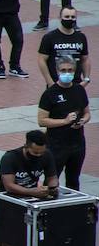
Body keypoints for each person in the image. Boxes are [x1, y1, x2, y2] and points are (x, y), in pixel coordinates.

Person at [38, 55, 89, 189]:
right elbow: (42, 121)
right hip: (56, 145)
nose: (67, 73)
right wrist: (65, 121)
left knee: (74, 179)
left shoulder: (79, 90)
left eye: (70, 70)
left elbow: (87, 112)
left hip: (77, 144)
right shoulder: (50, 94)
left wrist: (83, 121)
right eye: (63, 70)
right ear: (57, 71)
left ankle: (73, 207)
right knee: (51, 180)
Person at [0, 129, 59, 200]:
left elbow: (52, 177)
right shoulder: (9, 158)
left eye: (42, 153)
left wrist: (52, 188)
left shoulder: (47, 155)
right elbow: (9, 186)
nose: (39, 155)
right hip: (10, 197)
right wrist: (31, 191)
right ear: (26, 146)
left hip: (32, 196)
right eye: (35, 153)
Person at [38, 11, 89, 87]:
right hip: (55, 83)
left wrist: (86, 79)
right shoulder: (49, 37)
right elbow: (41, 60)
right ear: (60, 18)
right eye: (67, 16)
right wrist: (50, 82)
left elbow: (85, 59)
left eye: (73, 17)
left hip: (77, 84)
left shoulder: (81, 37)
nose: (70, 19)